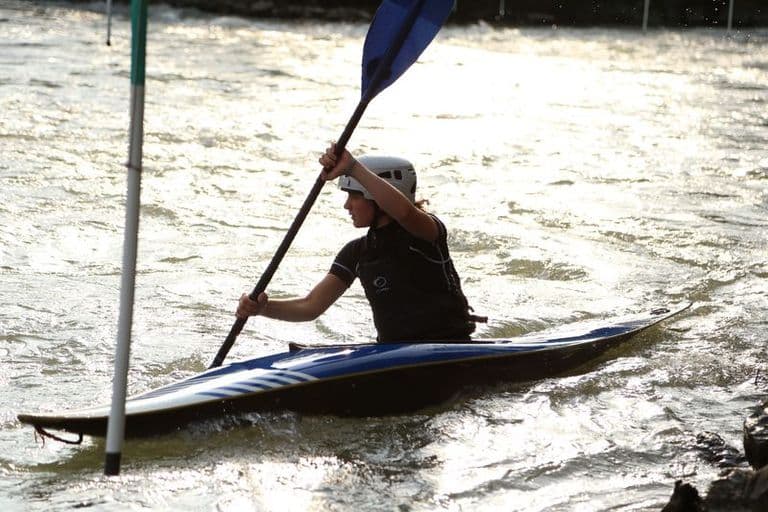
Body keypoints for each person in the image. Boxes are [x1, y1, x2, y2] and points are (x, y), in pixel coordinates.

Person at [236, 144, 482, 343]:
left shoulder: (426, 232)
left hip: (449, 347)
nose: (347, 205)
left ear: (378, 198)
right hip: (394, 353)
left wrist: (353, 167)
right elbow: (310, 306)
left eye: (355, 196)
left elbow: (405, 214)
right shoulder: (357, 252)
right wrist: (262, 309)